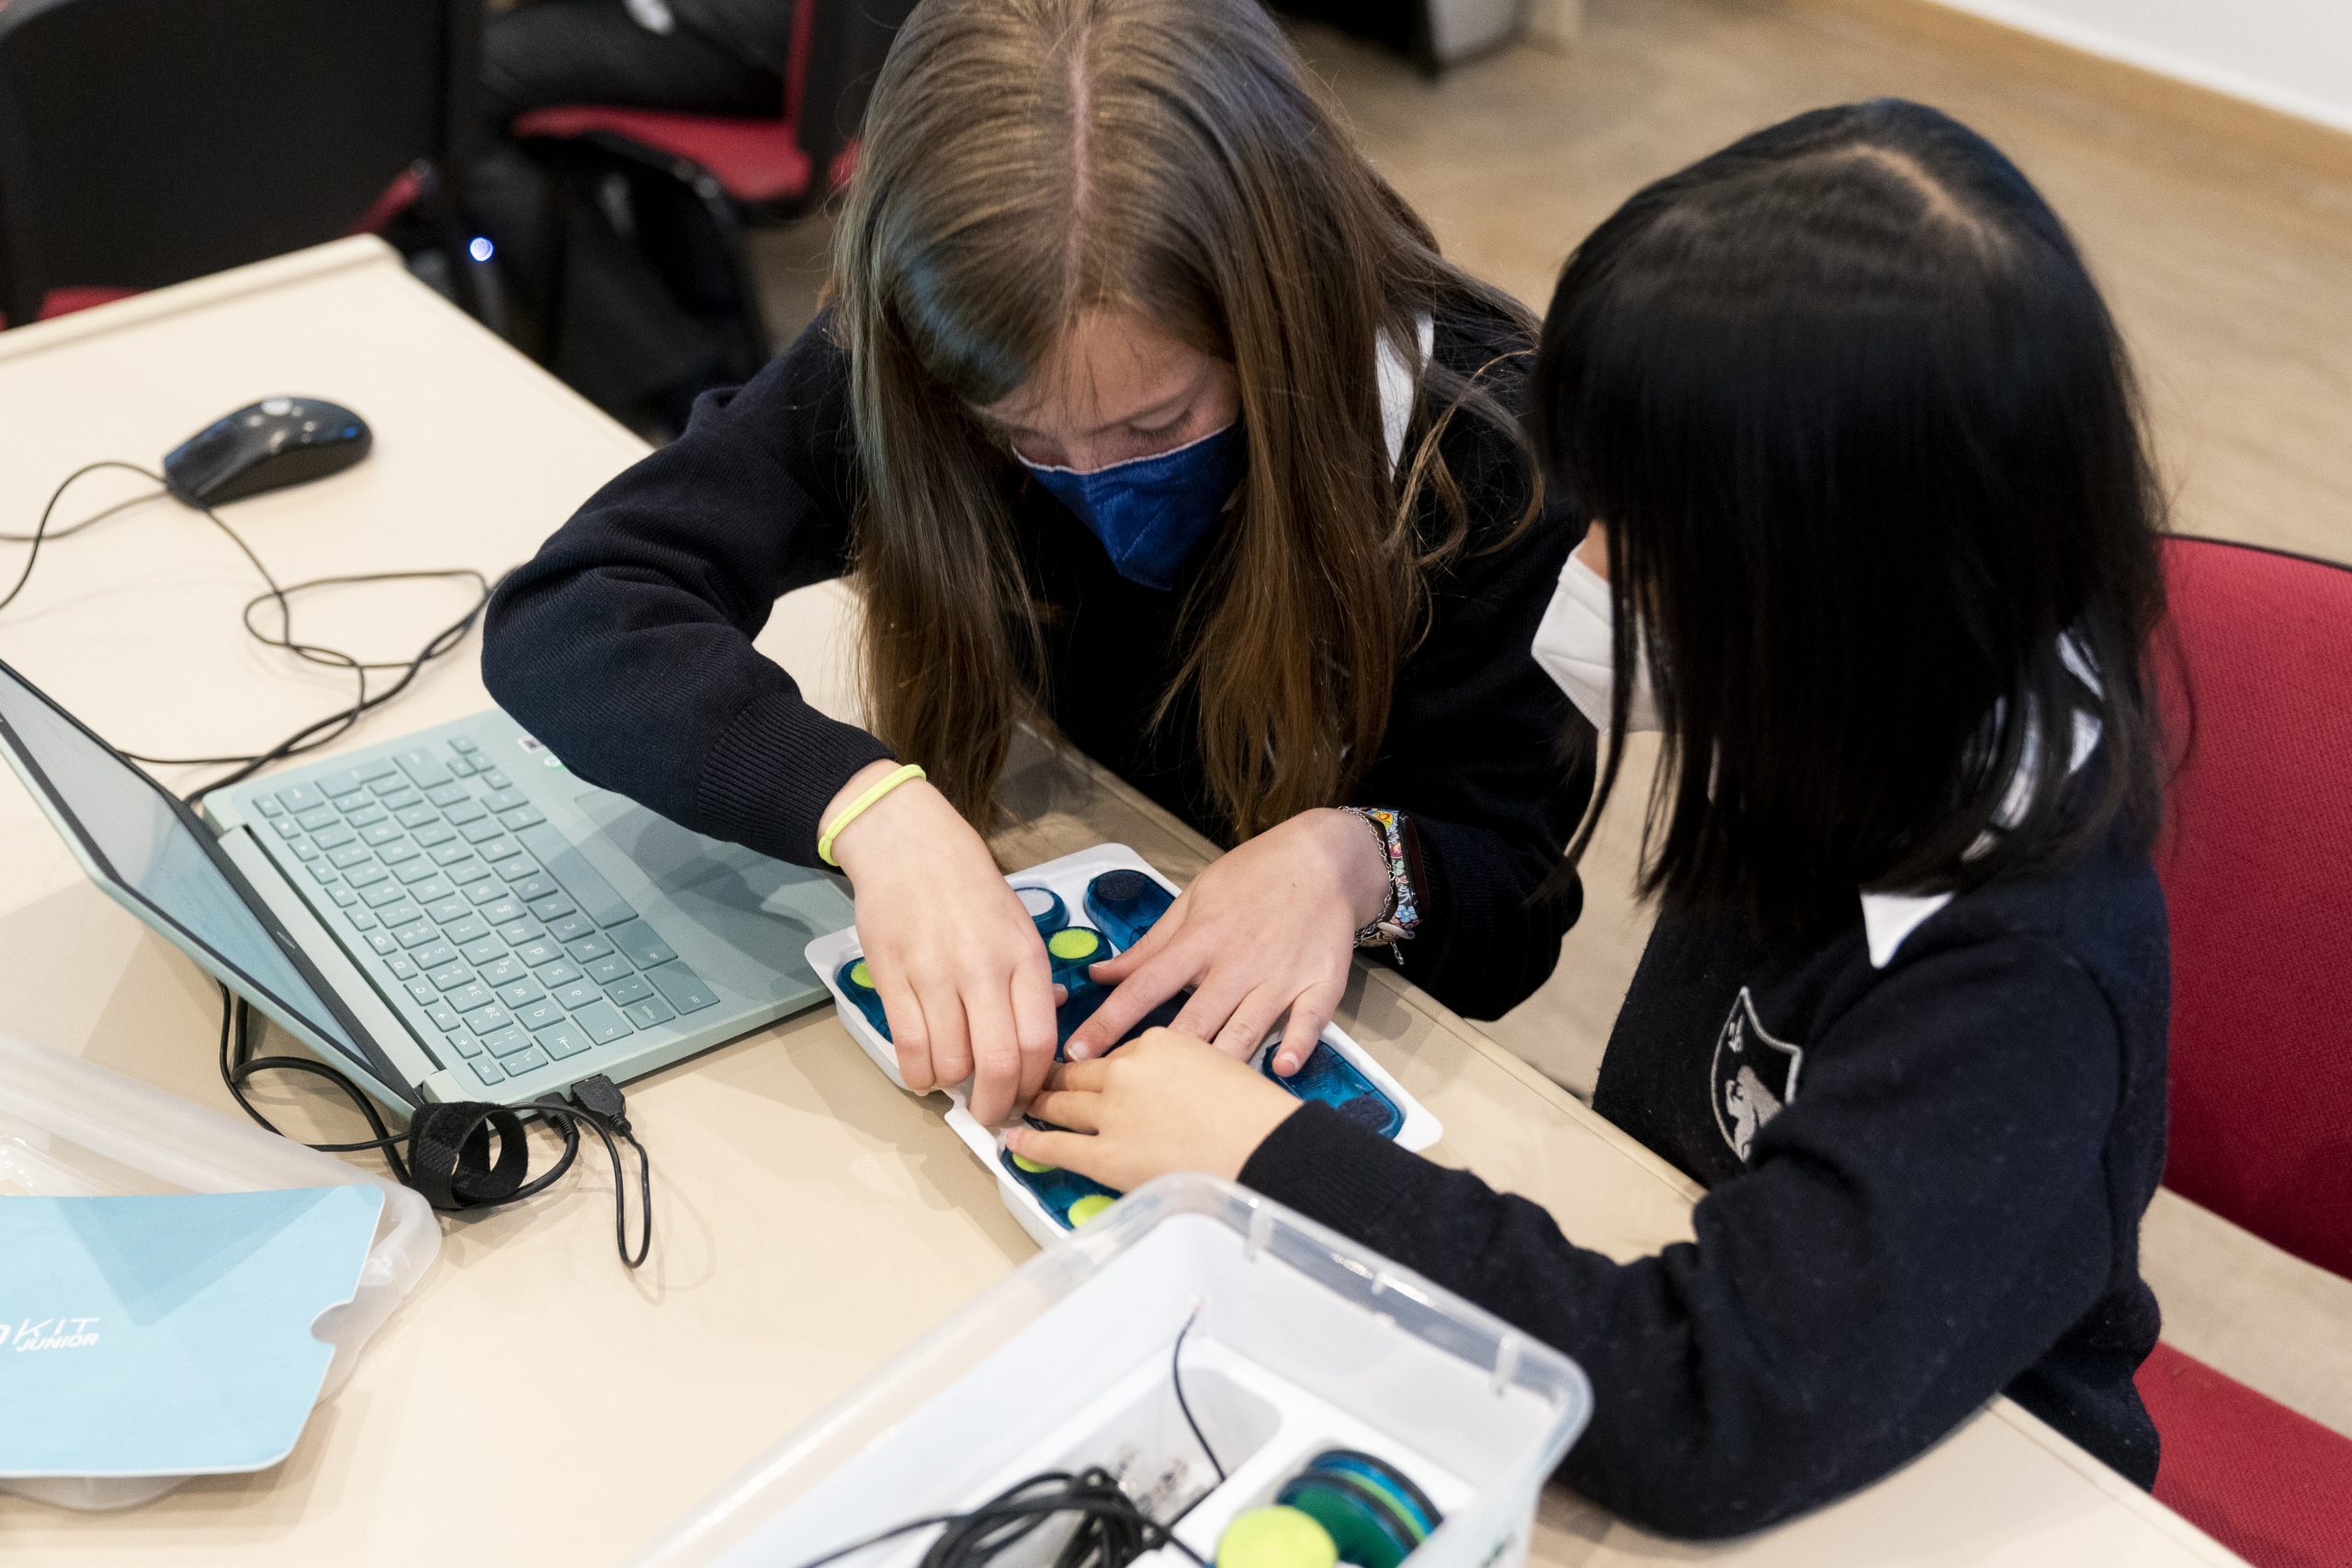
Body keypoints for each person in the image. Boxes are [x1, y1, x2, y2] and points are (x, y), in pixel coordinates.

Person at [1009, 99, 2174, 1537]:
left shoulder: (2022, 989)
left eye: (1636, 532)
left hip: (1950, 1488)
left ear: (1826, 582)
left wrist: (1265, 1156)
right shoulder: (1855, 723)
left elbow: (1710, 1411)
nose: (1585, 560)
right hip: (1703, 1290)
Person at [482, 0, 1592, 1126]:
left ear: (1277, 317)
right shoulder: (920, 353)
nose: (1092, 479)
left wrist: (1355, 862)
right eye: (1021, 433)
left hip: (1303, 1054)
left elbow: (1514, 907)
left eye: (1156, 426)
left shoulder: (1485, 452)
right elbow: (578, 609)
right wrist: (869, 811)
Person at [466, 0, 798, 424]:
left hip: (753, 30)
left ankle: (680, 379)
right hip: (840, 40)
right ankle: (708, 349)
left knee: (460, 81)